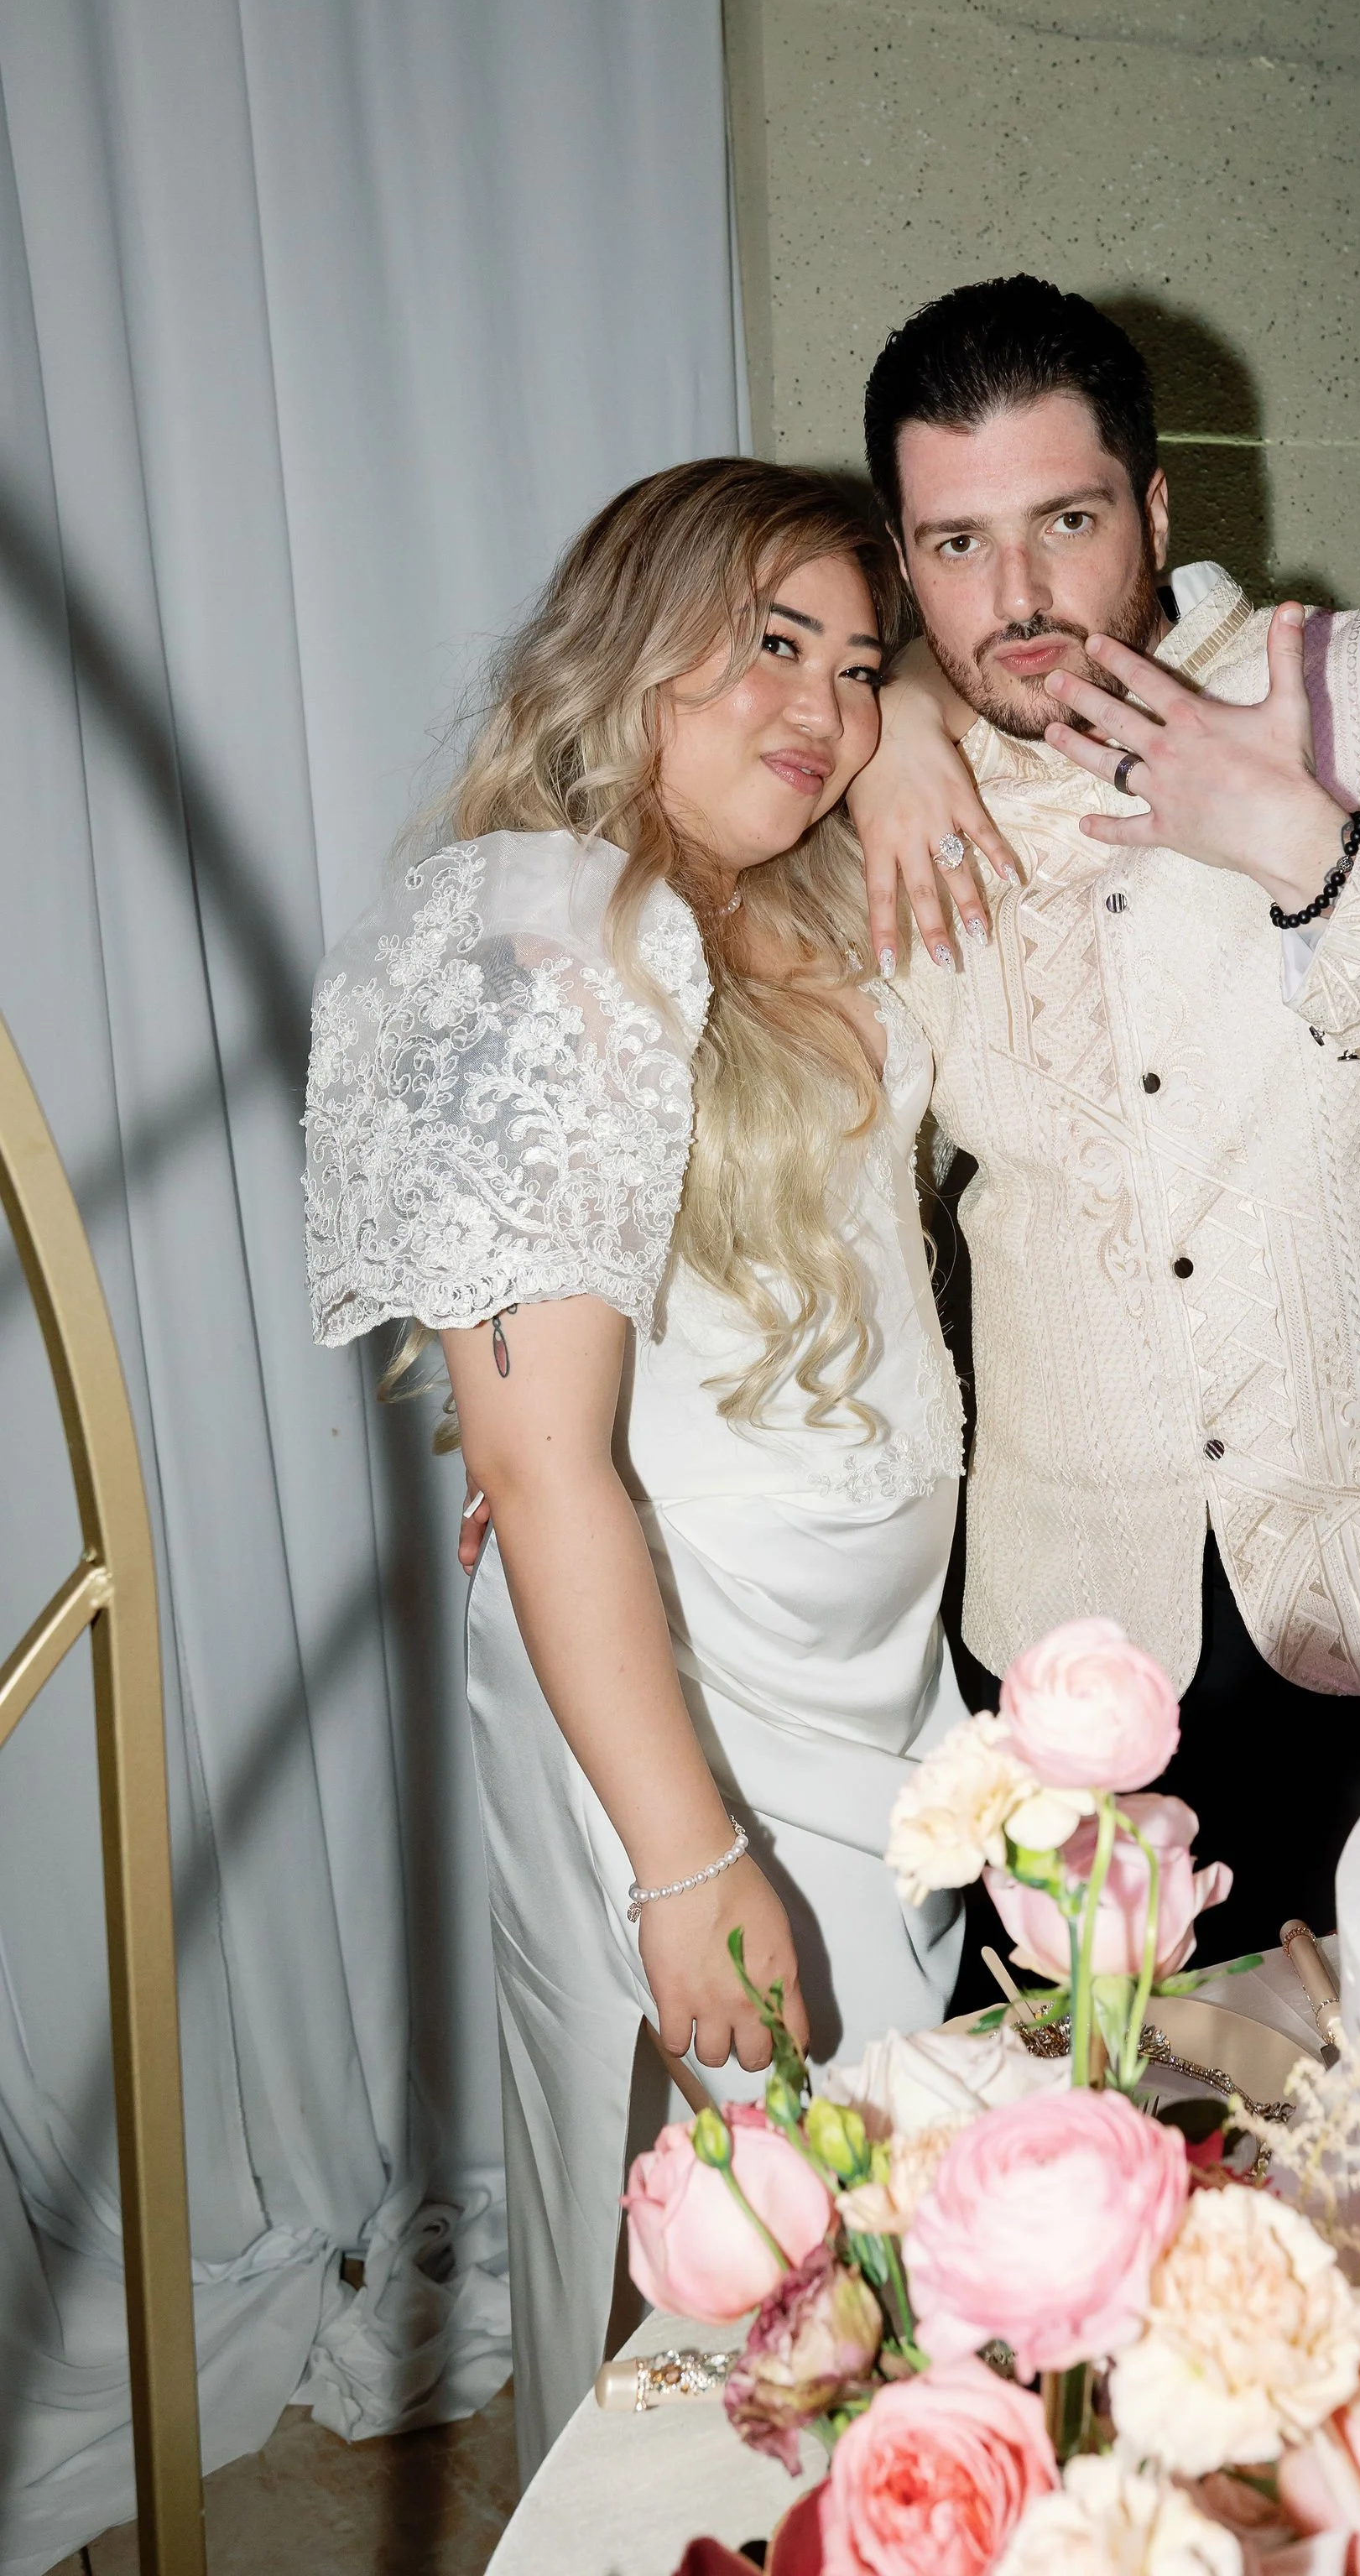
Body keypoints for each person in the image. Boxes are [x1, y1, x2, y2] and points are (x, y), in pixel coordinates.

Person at [303, 462, 967, 2475]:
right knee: (696, 2285)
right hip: (678, 1677)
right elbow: (542, 1453)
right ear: (632, 636)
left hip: (877, 1661)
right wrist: (688, 1862)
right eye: (772, 642)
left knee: (877, 2235)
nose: (827, 706)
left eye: (860, 666)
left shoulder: (795, 885)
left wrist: (919, 713)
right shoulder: (534, 926)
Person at [845, 278, 1360, 1972]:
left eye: (1068, 522)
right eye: (954, 549)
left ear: (1158, 509)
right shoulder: (892, 805)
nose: (1017, 601)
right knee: (1095, 2183)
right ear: (900, 560)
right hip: (1072, 1657)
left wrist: (1313, 857)